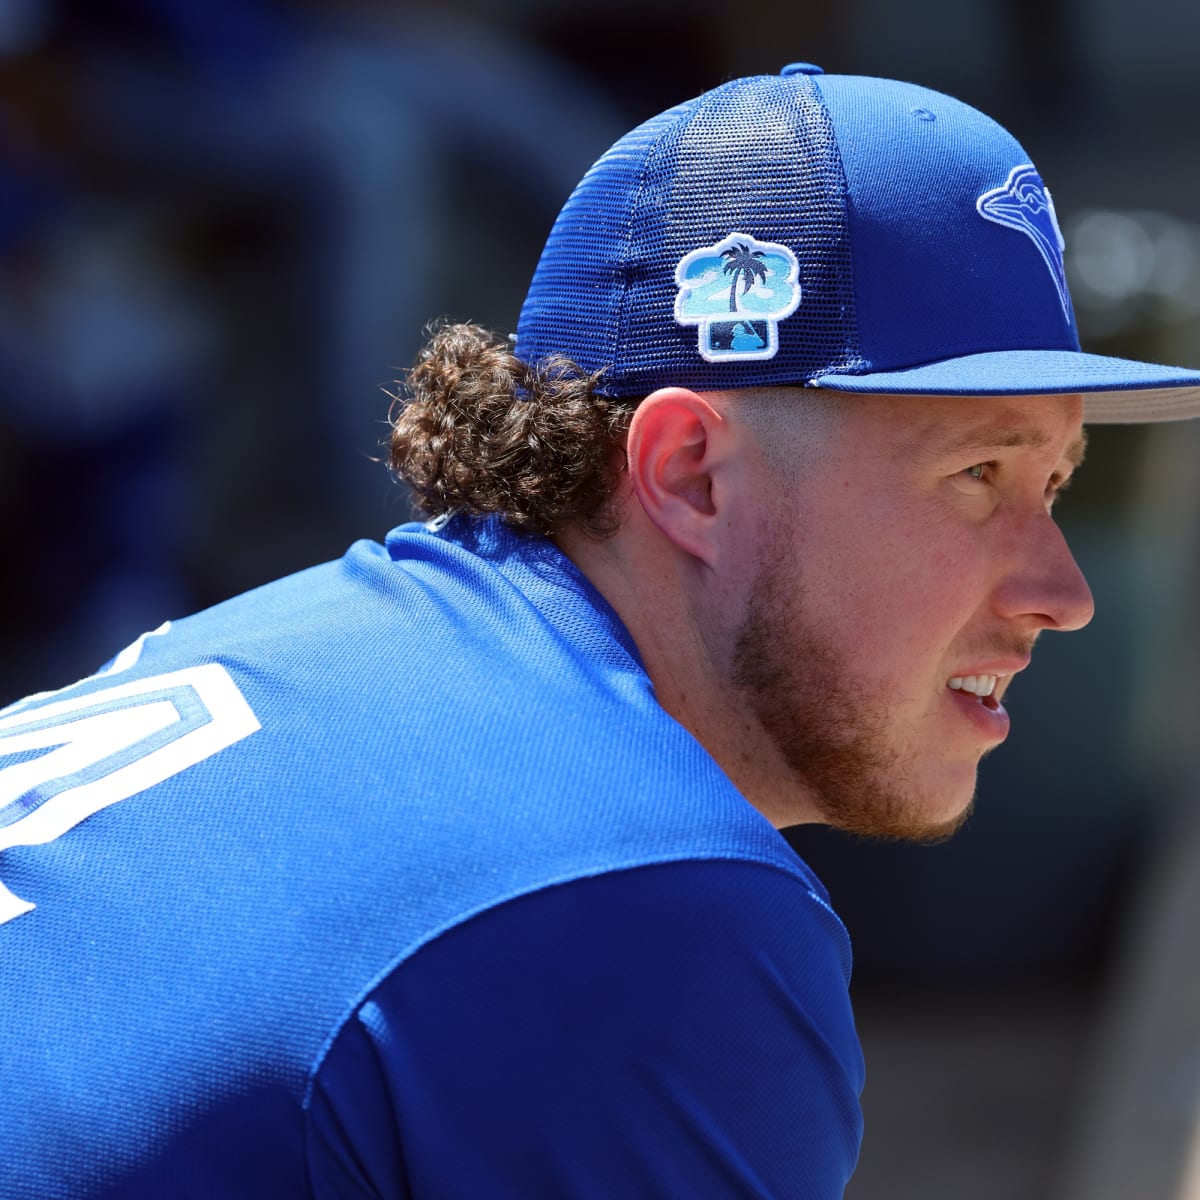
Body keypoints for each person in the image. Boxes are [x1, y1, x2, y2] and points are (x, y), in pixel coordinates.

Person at [2, 63, 1199, 1200]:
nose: (1064, 592)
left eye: (1057, 484)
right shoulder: (635, 898)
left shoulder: (297, 640)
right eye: (978, 474)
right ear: (691, 476)